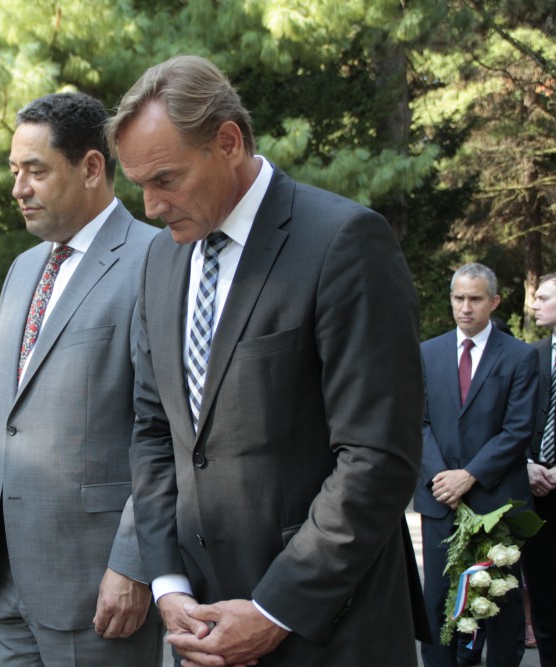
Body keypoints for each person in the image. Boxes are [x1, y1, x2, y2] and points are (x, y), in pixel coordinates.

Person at [107, 55, 427, 665]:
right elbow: (156, 432)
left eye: (165, 179)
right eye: (139, 184)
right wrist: (169, 582)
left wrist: (275, 607)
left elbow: (377, 457)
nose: (149, 206)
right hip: (199, 626)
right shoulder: (161, 261)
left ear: (227, 142)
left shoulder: (344, 242)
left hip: (326, 627)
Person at [0, 92, 162, 665]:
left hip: (98, 590)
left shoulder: (155, 259)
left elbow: (165, 430)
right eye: (13, 170)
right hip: (5, 585)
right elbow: (3, 417)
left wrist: (133, 562)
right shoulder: (24, 269)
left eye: (36, 171)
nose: (18, 188)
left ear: (92, 168)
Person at [418, 262, 537, 667]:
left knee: (497, 608)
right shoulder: (426, 353)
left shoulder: (520, 357)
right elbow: (418, 423)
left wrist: (468, 476)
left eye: (475, 299)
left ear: (494, 302)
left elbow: (518, 429)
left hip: (497, 502)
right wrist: (442, 478)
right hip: (440, 501)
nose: (465, 307)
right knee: (437, 604)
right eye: (458, 298)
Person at [525, 272, 556, 666]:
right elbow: (507, 420)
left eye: (543, 297)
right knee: (545, 598)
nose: (534, 303)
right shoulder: (529, 356)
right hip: (537, 495)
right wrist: (527, 465)